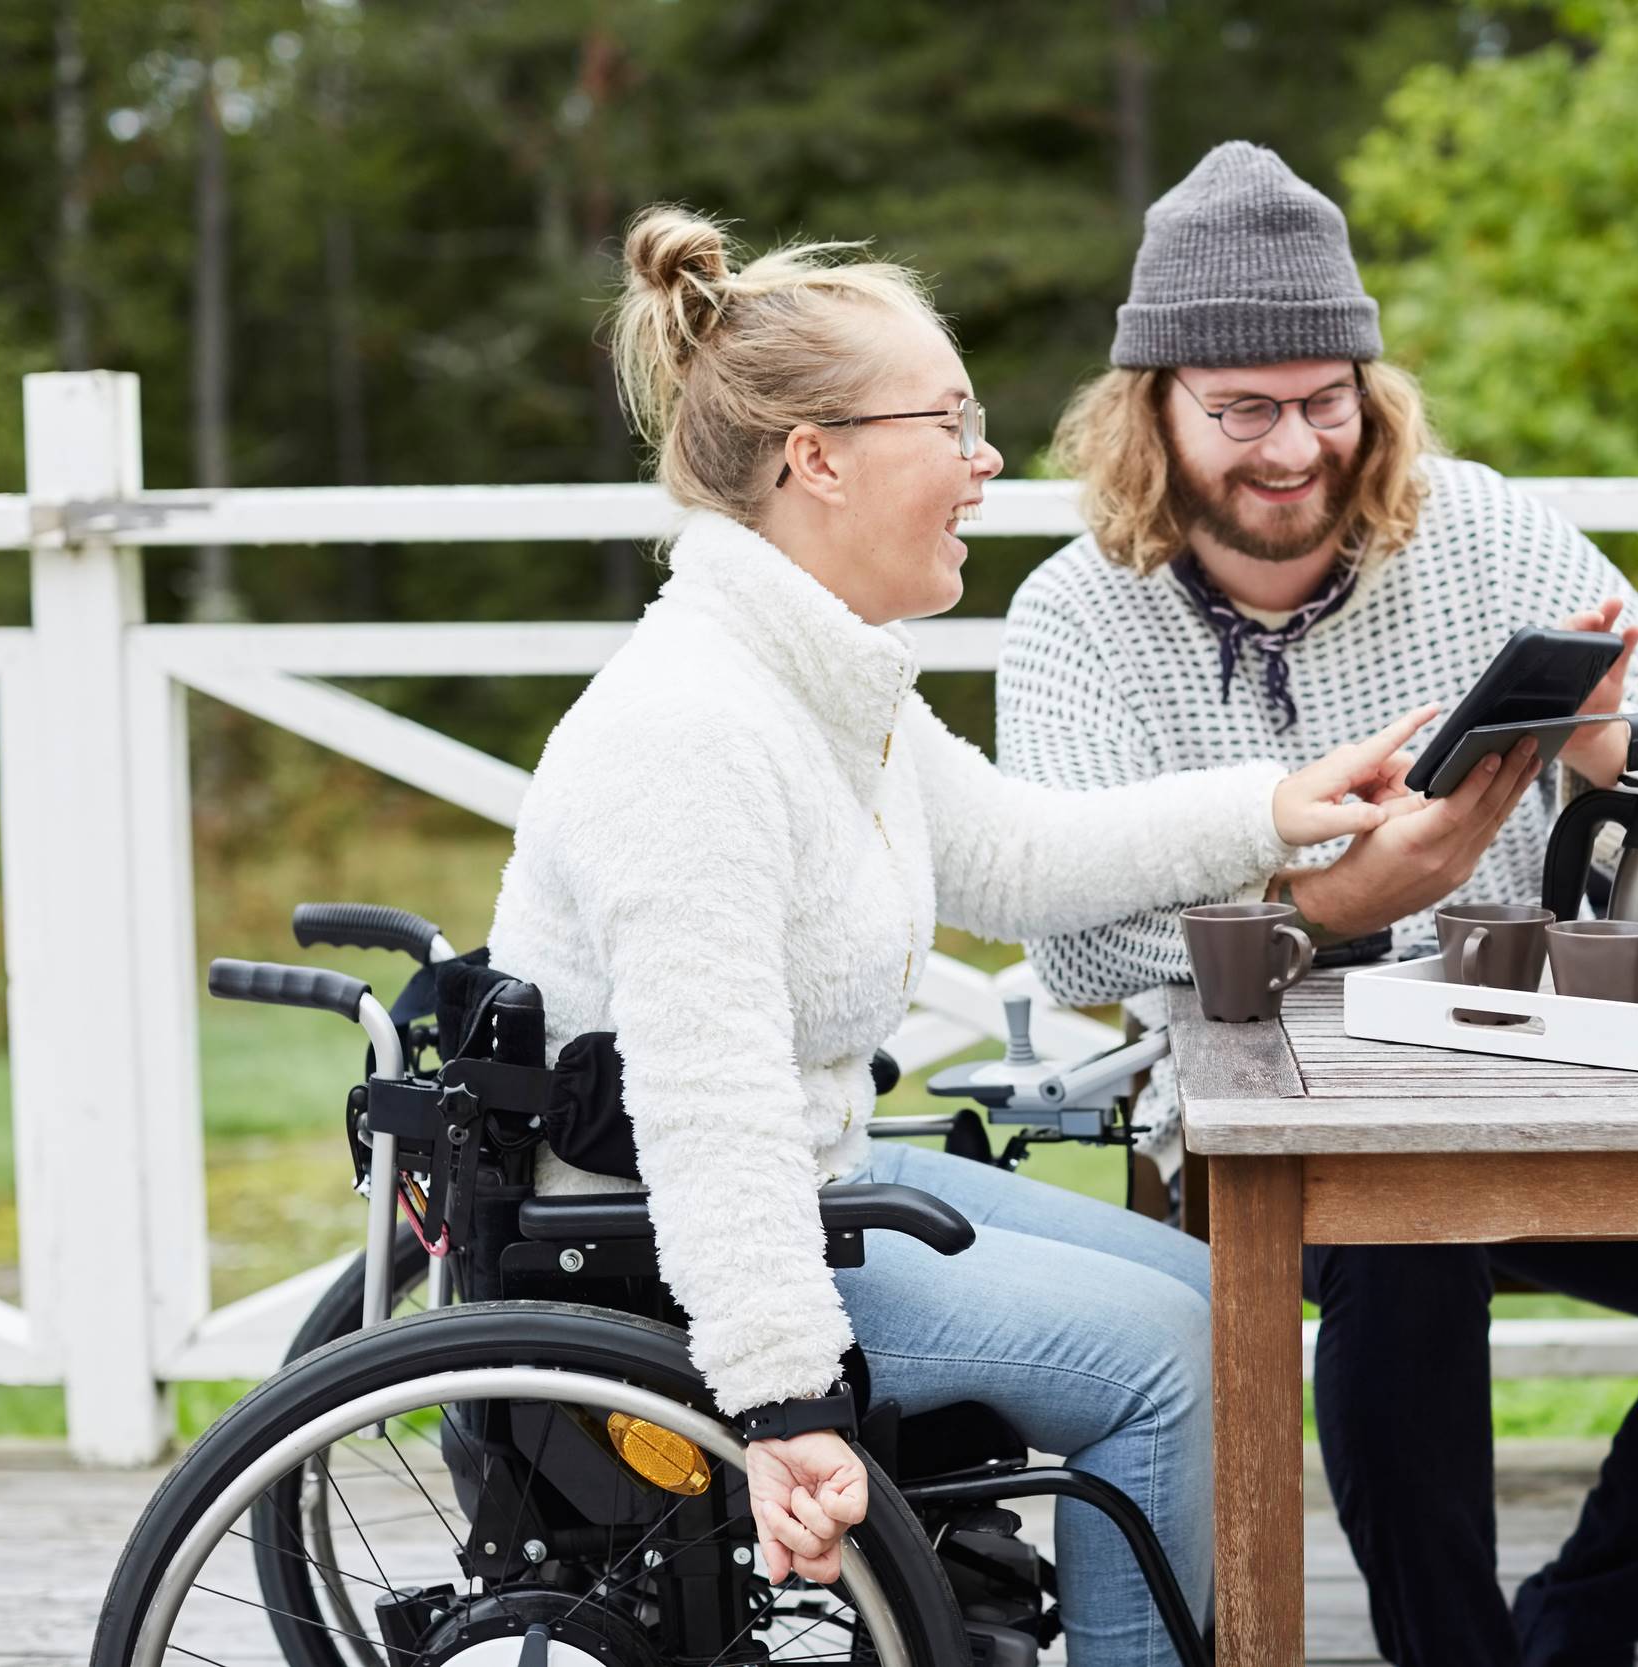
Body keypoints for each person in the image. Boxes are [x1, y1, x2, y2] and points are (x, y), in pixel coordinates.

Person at [484, 203, 1432, 1666]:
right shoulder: (692, 728)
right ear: (821, 458)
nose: (989, 461)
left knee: (1213, 1293)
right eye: (953, 421)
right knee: (1179, 1361)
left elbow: (1016, 852)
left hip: (816, 1168)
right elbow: (710, 1109)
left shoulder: (813, 673)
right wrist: (790, 1403)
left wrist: (1281, 806)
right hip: (671, 1247)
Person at [998, 142, 1638, 1667]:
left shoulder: (1477, 527)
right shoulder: (1074, 615)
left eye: (1327, 397)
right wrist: (1339, 907)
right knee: (1405, 1263)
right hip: (1278, 1107)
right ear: (1152, 410)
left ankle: (1571, 1636)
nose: (1295, 448)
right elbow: (1077, 940)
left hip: (1548, 1069)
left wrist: (1615, 746)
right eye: (1246, 411)